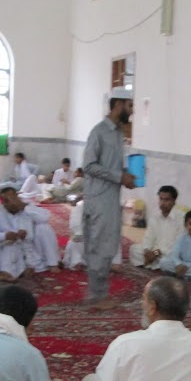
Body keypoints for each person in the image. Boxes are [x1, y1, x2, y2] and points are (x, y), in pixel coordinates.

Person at [82, 87, 136, 309]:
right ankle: (95, 296)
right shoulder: (99, 132)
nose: (131, 110)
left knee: (109, 245)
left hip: (111, 198)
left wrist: (127, 175)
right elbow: (88, 165)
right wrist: (118, 176)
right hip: (99, 199)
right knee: (99, 246)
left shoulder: (118, 133)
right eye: (129, 105)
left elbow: (111, 166)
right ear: (118, 105)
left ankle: (99, 293)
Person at [129, 186, 184, 270]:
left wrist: (157, 253)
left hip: (169, 253)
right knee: (134, 249)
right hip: (154, 252)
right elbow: (148, 237)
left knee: (170, 260)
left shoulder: (181, 218)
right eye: (161, 199)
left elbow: (178, 244)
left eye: (166, 200)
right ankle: (153, 262)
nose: (162, 203)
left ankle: (152, 263)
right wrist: (147, 251)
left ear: (174, 201)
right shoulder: (154, 217)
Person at [63, 197, 122, 271]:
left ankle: (105, 263)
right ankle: (82, 262)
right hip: (84, 239)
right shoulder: (79, 208)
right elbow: (76, 229)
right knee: (75, 242)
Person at [0, 187, 39, 281]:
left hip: (27, 247)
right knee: (11, 245)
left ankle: (18, 270)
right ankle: (5, 272)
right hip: (7, 246)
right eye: (6, 200)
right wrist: (18, 235)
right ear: (2, 202)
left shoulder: (26, 208)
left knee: (44, 228)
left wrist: (24, 206)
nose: (11, 203)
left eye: (12, 198)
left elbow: (45, 217)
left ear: (17, 198)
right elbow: (6, 232)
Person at [159, 209, 191, 280]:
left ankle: (179, 273)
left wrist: (187, 266)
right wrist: (178, 264)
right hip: (181, 263)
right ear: (186, 225)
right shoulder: (181, 237)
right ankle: (188, 275)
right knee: (163, 261)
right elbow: (174, 254)